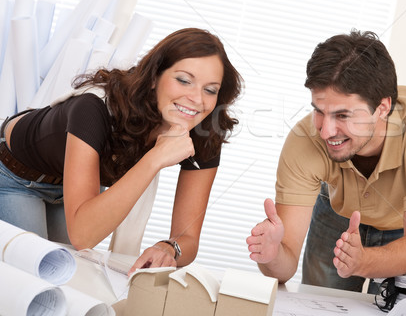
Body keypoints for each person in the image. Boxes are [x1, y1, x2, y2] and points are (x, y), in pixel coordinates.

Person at [0, 27, 242, 274]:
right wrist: (154, 158)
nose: (197, 99)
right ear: (153, 77)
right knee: (35, 276)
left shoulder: (204, 130)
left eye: (210, 90)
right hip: (15, 176)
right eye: (184, 80)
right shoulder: (94, 108)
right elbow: (83, 235)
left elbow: (187, 236)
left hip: (72, 188)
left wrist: (169, 248)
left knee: (70, 277)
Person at [246, 30, 406, 293]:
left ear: (382, 107)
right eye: (318, 111)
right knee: (319, 304)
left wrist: (363, 261)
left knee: (400, 309)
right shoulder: (304, 140)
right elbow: (284, 267)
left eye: (342, 115)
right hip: (339, 210)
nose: (325, 132)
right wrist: (272, 255)